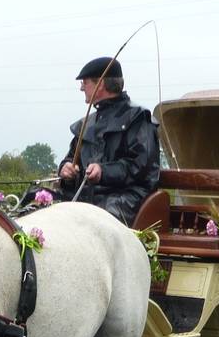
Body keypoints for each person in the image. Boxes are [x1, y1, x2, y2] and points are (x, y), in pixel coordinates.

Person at [56, 56, 160, 226]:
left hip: (127, 197)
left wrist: (103, 172)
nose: (81, 87)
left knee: (92, 222)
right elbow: (71, 157)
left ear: (100, 84)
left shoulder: (139, 118)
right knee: (38, 202)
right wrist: (66, 168)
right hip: (87, 196)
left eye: (85, 82)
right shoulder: (85, 123)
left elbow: (140, 167)